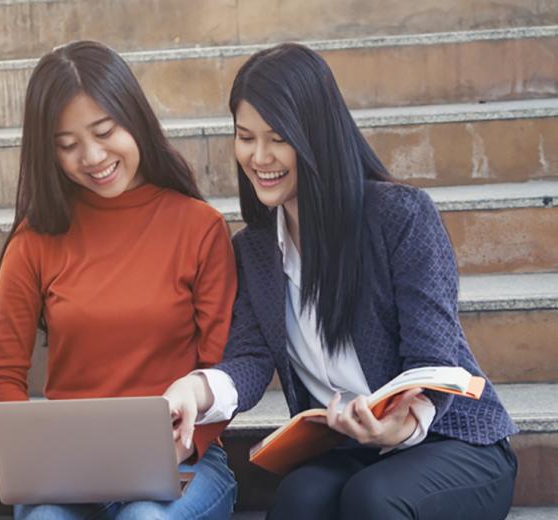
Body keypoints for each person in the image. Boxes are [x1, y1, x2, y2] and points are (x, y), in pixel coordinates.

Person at [163, 43, 519, 519]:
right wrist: (194, 389)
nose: (259, 156)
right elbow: (249, 360)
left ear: (316, 135)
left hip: (453, 442)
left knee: (373, 498)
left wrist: (404, 424)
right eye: (245, 137)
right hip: (351, 448)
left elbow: (436, 357)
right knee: (297, 499)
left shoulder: (401, 217)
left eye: (278, 137)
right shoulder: (253, 250)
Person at [0, 40, 238, 520]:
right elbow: (3, 377)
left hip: (184, 462)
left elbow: (221, 366)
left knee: (143, 516)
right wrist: (32, 458)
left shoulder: (199, 226)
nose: (92, 157)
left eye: (105, 131)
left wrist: (182, 444)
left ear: (134, 118)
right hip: (66, 469)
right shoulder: (34, 240)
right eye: (67, 145)